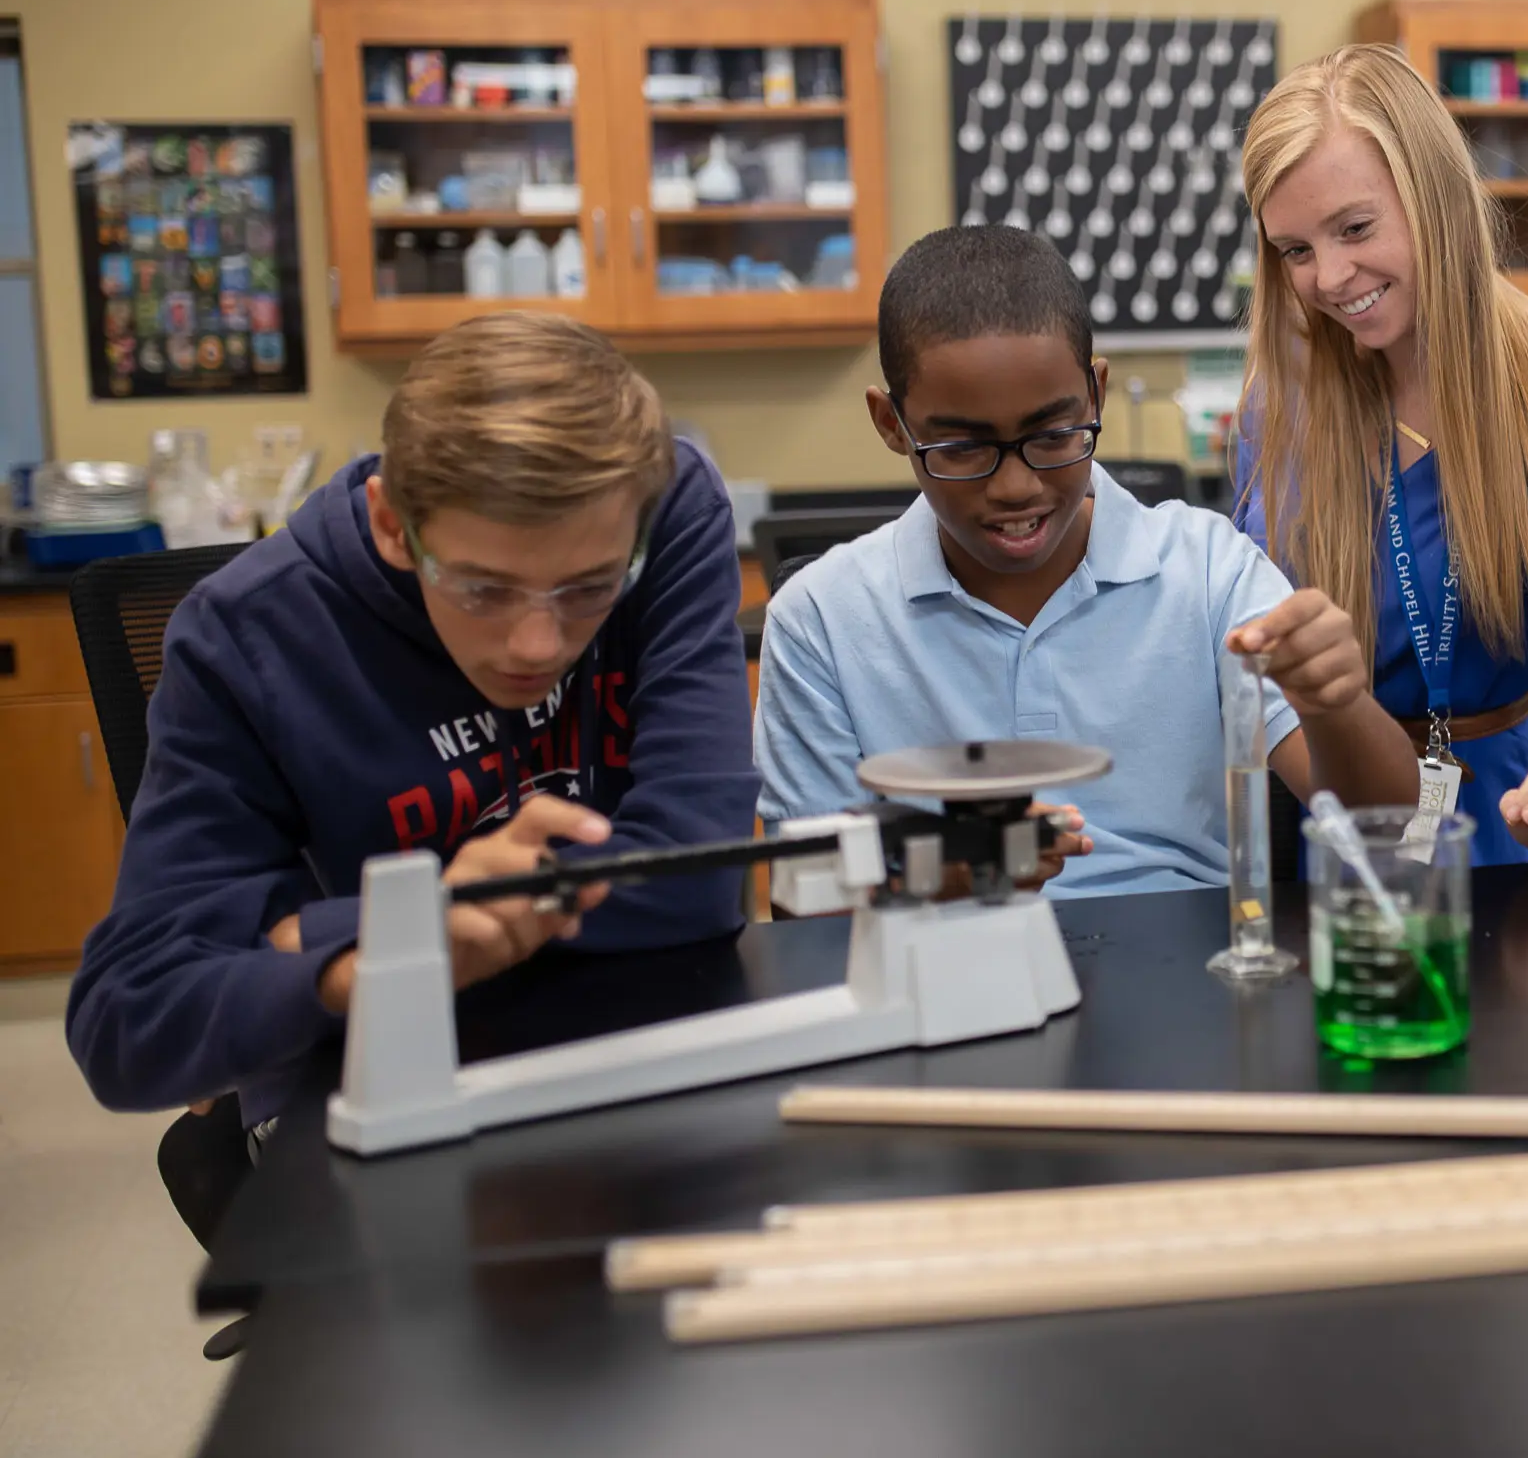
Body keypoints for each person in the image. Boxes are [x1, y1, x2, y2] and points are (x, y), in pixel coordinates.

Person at [68, 313, 757, 1243]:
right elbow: (129, 1022)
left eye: (589, 588)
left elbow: (699, 876)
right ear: (394, 523)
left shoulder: (666, 511)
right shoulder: (245, 633)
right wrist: (387, 949)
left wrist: (315, 939)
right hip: (384, 1115)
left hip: (640, 1065)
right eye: (483, 588)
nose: (538, 643)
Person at [755, 225, 1416, 895]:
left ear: (1096, 394)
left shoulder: (1210, 571)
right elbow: (805, 893)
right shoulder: (820, 620)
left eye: (1053, 435)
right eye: (961, 448)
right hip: (934, 951)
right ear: (891, 424)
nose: (1016, 486)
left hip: (1183, 948)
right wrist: (951, 876)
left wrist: (1339, 706)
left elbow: (1391, 823)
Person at [1234, 44, 1528, 870]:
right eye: (1295, 250)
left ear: (1434, 198)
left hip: (1510, 809)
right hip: (1338, 820)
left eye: (1355, 228)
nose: (1331, 277)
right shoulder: (1276, 412)